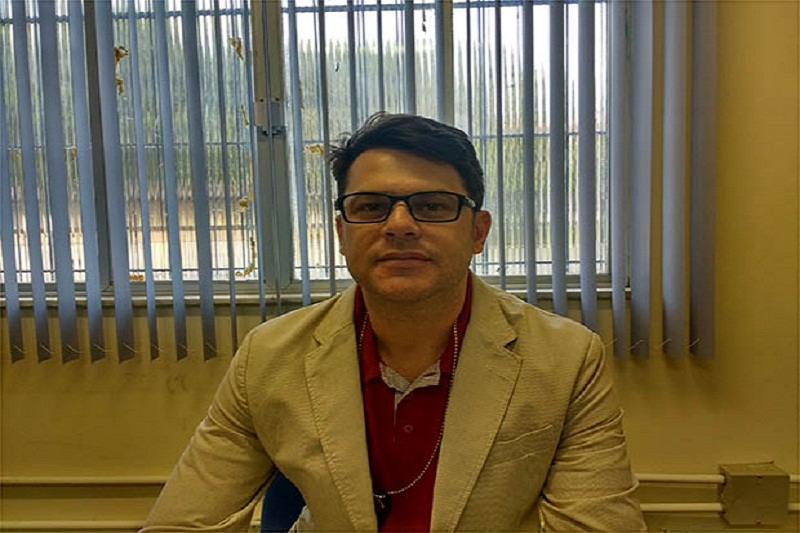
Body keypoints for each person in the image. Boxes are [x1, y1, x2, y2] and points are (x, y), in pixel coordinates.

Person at [142, 113, 646, 532]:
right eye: (371, 207)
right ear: (342, 234)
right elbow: (183, 523)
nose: (399, 225)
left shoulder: (565, 359)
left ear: (478, 231)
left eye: (432, 206)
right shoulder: (269, 356)